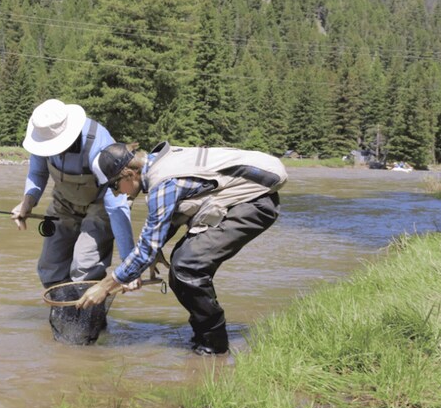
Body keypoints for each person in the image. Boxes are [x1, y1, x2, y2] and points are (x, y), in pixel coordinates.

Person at [77, 141, 287, 355]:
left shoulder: (162, 181)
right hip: (245, 199)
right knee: (181, 268)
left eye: (114, 186)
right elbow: (170, 218)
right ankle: (202, 337)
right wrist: (155, 252)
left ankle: (214, 347)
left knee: (188, 266)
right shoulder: (157, 165)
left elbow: (147, 246)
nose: (116, 194)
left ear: (130, 174)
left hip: (256, 204)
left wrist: (106, 286)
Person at [11, 99, 134, 343]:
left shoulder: (99, 144)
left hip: (100, 204)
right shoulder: (42, 137)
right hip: (63, 203)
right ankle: (70, 321)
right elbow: (37, 173)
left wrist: (131, 263)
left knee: (84, 268)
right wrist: (27, 204)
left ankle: (88, 330)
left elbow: (117, 205)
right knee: (49, 267)